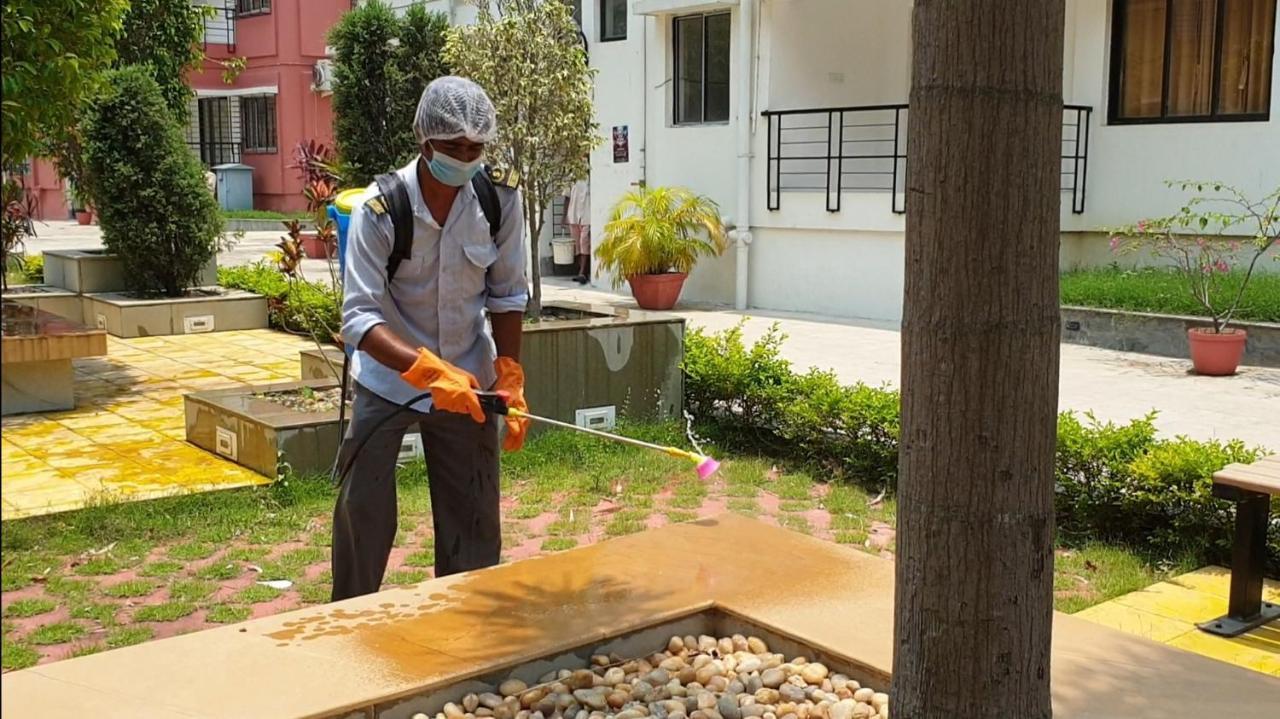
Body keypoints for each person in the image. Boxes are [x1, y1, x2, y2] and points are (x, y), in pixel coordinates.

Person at [331, 77, 530, 601]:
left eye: (475, 148)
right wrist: (428, 372)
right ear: (426, 143)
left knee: (473, 514)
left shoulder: (499, 201)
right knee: (364, 511)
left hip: (470, 375)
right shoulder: (381, 208)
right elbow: (359, 317)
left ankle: (468, 618)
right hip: (389, 380)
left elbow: (508, 296)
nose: (466, 158)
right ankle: (349, 618)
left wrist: (509, 371)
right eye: (454, 147)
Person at [565, 177, 590, 283]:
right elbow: (567, 197)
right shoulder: (571, 178)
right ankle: (580, 271)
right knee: (577, 245)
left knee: (584, 242)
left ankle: (583, 272)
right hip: (573, 215)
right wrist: (564, 215)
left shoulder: (590, 177)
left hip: (587, 215)